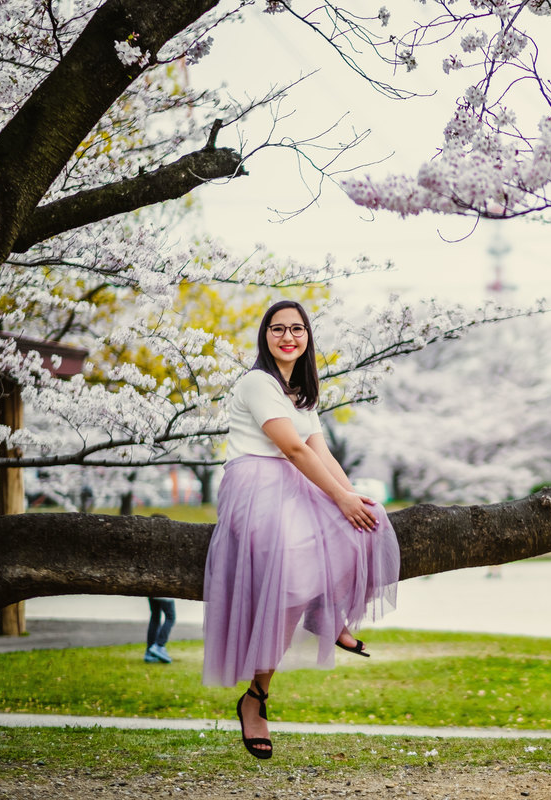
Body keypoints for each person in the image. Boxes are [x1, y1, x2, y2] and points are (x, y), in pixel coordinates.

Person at [202, 300, 400, 760]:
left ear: (308, 337)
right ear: (264, 336)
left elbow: (319, 451)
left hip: (297, 482)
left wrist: (352, 497)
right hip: (256, 486)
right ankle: (256, 697)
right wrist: (339, 497)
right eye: (277, 329)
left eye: (297, 329)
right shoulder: (257, 382)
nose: (287, 336)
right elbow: (291, 448)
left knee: (369, 520)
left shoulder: (301, 394)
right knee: (289, 569)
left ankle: (327, 612)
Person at [145, 597, 176, 663]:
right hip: (165, 593)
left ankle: (149, 652)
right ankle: (159, 645)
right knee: (170, 617)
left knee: (154, 617)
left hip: (152, 592)